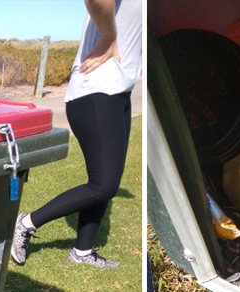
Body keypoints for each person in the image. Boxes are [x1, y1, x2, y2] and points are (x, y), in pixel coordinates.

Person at [11, 0, 142, 269]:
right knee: (104, 185)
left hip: (118, 91)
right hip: (97, 89)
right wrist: (110, 36)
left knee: (105, 181)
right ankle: (26, 223)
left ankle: (82, 251)